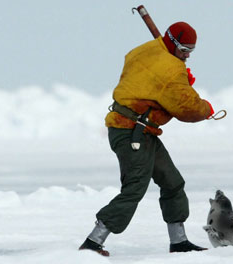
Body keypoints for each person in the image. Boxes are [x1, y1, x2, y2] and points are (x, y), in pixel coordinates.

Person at [79, 21, 214, 256]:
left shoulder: (145, 50)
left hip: (142, 130)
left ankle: (179, 242)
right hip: (132, 132)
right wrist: (204, 106)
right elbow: (187, 108)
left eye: (191, 51)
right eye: (184, 50)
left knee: (172, 182)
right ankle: (92, 242)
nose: (187, 56)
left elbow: (153, 82)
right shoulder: (171, 69)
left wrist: (180, 77)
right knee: (134, 188)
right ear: (172, 43)